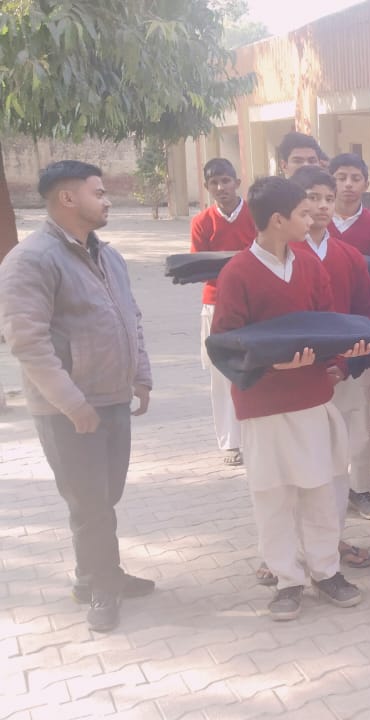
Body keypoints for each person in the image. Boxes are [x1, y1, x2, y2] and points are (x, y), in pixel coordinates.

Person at [0, 160, 154, 632]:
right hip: (68, 410)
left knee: (106, 496)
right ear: (68, 198)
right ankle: (101, 588)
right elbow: (27, 342)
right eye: (98, 193)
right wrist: (72, 404)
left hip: (112, 398)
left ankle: (97, 575)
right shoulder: (31, 260)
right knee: (88, 504)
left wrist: (141, 375)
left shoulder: (108, 256)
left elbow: (131, 316)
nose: (107, 200)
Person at [210, 176, 369, 620]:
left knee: (320, 490)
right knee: (273, 495)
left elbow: (325, 323)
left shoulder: (310, 265)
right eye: (303, 211)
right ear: (278, 220)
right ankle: (286, 579)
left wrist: (343, 356)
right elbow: (224, 342)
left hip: (311, 399)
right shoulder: (238, 272)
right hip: (263, 405)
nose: (313, 215)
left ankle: (326, 570)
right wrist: (270, 366)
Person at [288, 166, 370, 563]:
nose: (323, 206)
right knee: (296, 463)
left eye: (328, 198)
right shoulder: (281, 254)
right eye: (313, 197)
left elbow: (364, 314)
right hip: (293, 376)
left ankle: (332, 539)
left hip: (341, 374)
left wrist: (343, 364)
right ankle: (286, 548)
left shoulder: (348, 255)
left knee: (337, 460)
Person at [190, 158, 256, 467]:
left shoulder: (256, 214)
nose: (221, 187)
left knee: (256, 366)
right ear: (206, 187)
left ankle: (255, 434)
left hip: (255, 300)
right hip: (216, 302)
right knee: (221, 372)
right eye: (214, 182)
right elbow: (199, 267)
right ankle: (231, 441)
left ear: (237, 182)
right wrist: (237, 265)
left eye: (226, 180)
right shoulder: (202, 221)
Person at [328, 153, 370, 259]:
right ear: (330, 183)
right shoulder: (315, 221)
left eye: (356, 179)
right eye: (341, 178)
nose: (348, 184)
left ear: (366, 185)